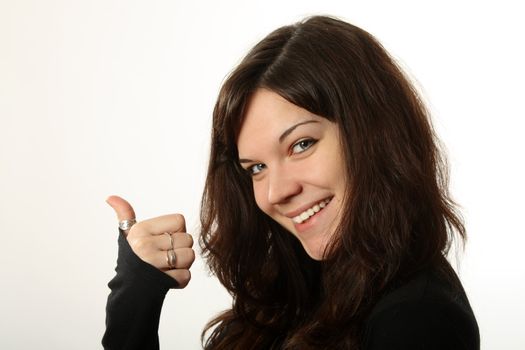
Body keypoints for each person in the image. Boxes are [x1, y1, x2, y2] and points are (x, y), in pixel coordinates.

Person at [103, 15, 480, 349]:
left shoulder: (416, 321)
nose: (276, 192)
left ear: (374, 135)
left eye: (302, 145)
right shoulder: (295, 293)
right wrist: (135, 298)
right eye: (256, 168)